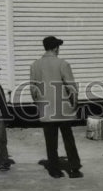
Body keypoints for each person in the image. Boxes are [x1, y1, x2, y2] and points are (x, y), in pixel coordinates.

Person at [30, 36, 83, 178]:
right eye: (58, 47)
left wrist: (39, 103)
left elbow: (33, 89)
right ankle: (74, 168)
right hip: (63, 109)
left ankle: (54, 170)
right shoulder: (63, 63)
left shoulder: (35, 65)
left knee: (51, 141)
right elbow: (72, 87)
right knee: (68, 138)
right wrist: (75, 104)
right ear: (55, 48)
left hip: (46, 109)